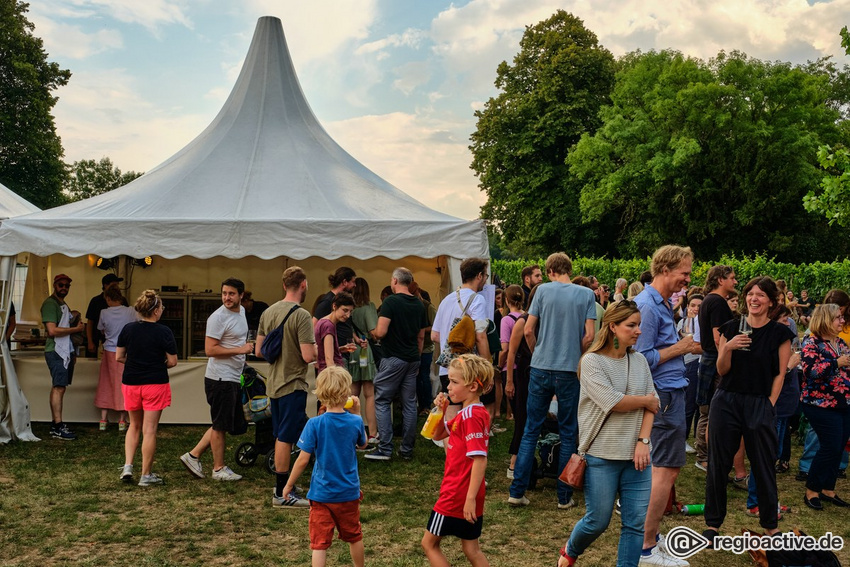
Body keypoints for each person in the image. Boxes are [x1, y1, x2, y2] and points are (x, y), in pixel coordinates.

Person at [557, 300, 659, 567]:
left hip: (637, 457)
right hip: (601, 455)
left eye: (639, 325)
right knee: (597, 520)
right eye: (631, 325)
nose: (638, 330)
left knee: (635, 524)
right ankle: (571, 549)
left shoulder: (639, 361)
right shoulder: (591, 361)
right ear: (613, 326)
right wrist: (644, 401)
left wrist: (643, 441)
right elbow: (612, 401)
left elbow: (654, 403)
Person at [704, 276, 792, 544]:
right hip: (727, 400)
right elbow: (721, 371)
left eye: (760, 295)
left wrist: (770, 404)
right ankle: (713, 524)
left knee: (764, 464)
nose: (754, 299)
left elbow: (780, 373)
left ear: (771, 301)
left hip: (759, 402)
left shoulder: (781, 333)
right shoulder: (730, 328)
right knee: (719, 463)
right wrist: (727, 347)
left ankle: (770, 525)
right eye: (750, 294)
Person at [508, 252, 596, 510]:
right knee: (568, 432)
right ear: (569, 269)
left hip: (540, 367)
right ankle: (563, 496)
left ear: (549, 271)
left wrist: (539, 353)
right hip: (569, 370)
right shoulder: (586, 294)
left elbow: (527, 329)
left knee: (530, 430)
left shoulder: (542, 291)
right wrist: (576, 353)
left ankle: (517, 491)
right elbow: (590, 335)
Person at [634, 245, 695, 567]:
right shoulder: (647, 306)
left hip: (670, 394)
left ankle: (649, 541)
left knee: (664, 469)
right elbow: (638, 359)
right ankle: (646, 548)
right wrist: (679, 348)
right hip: (664, 396)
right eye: (684, 272)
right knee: (664, 470)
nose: (687, 279)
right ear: (666, 269)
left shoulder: (658, 303)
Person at [282, 366, 368, 566]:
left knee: (319, 544)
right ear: (347, 392)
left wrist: (288, 484)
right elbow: (362, 444)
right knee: (354, 536)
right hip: (349, 492)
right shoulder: (355, 422)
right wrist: (358, 412)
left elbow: (303, 459)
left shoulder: (314, 424)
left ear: (320, 394)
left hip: (321, 494)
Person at [421, 354, 493, 567]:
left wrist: (469, 498)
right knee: (471, 548)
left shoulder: (470, 416)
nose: (448, 386)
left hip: (457, 493)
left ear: (472, 387)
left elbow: (480, 459)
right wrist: (441, 411)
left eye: (454, 382)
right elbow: (436, 435)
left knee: (429, 544)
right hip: (469, 491)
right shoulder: (469, 413)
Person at [180, 278, 255, 482]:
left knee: (219, 422)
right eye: (224, 293)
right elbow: (210, 350)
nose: (227, 298)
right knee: (220, 425)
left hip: (232, 376)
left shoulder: (241, 312)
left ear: (241, 295)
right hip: (219, 378)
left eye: (231, 294)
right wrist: (241, 350)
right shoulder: (217, 317)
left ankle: (193, 455)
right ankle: (218, 468)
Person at [255, 266, 317, 508]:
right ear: (303, 285)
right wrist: (317, 350)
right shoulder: (301, 315)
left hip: (274, 384)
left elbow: (259, 350)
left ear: (284, 285)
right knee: (285, 437)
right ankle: (282, 493)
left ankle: (285, 485)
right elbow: (306, 355)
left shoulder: (268, 312)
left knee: (282, 434)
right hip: (293, 382)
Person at [365, 268, 429, 462]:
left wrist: (372, 332)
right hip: (412, 358)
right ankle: (407, 449)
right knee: (409, 403)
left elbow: (382, 332)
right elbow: (421, 335)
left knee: (382, 399)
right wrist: (416, 359)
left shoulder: (391, 302)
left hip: (393, 358)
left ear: (394, 281)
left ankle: (385, 448)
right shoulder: (419, 304)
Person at [117, 290, 178, 486]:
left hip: (131, 382)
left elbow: (119, 357)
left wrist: (135, 362)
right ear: (156, 311)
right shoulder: (164, 332)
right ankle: (146, 474)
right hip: (155, 383)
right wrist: (158, 364)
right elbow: (172, 361)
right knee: (149, 430)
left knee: (133, 426)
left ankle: (128, 466)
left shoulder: (128, 329)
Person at [799, 303, 850, 511]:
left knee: (839, 446)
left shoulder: (841, 343)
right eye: (838, 317)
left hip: (843, 402)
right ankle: (812, 489)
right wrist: (837, 363)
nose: (842, 321)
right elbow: (810, 372)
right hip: (819, 403)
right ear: (826, 320)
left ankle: (828, 488)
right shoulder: (812, 343)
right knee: (829, 445)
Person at [432, 258, 491, 426]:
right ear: (479, 276)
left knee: (450, 418)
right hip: (467, 368)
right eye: (485, 275)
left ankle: (451, 452)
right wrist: (487, 367)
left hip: (447, 367)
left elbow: (435, 336)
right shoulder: (477, 299)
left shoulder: (446, 300)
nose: (485, 279)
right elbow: (480, 335)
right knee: (469, 417)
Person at [694, 265, 737, 472]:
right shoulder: (718, 302)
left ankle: (703, 454)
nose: (735, 282)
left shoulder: (707, 300)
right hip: (714, 359)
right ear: (721, 280)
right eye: (732, 278)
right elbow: (718, 337)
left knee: (706, 410)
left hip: (708, 358)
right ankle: (704, 457)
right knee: (711, 411)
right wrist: (727, 360)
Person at [42, 273, 86, 440]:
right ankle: (58, 426)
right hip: (55, 350)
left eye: (67, 286)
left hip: (64, 350)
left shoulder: (61, 304)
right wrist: (76, 330)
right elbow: (52, 331)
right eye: (61, 285)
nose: (64, 288)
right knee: (58, 387)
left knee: (60, 387)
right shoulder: (50, 304)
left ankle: (56, 424)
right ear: (55, 285)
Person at [504, 284, 535, 479]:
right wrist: (509, 381)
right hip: (522, 374)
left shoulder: (543, 320)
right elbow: (511, 352)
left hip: (538, 375)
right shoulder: (522, 322)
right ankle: (514, 462)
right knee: (522, 418)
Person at [95, 286, 136, 431]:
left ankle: (103, 420)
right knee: (123, 384)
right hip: (125, 352)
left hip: (108, 351)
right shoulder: (130, 311)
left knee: (106, 383)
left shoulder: (104, 312)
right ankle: (122, 420)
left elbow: (101, 329)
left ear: (108, 298)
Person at [350, 277, 378, 443]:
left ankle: (354, 432)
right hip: (365, 350)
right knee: (370, 394)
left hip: (351, 349)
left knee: (353, 393)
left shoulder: (349, 308)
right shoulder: (369, 307)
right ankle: (372, 432)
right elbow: (373, 331)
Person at [313, 267, 357, 365]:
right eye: (353, 282)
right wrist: (317, 355)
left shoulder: (345, 303)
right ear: (345, 282)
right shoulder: (327, 301)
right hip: (333, 360)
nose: (355, 285)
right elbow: (314, 327)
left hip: (341, 353)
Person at [677, 293, 703, 453]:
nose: (696, 309)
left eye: (700, 306)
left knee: (700, 404)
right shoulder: (683, 322)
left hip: (701, 363)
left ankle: (698, 438)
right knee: (689, 402)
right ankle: (683, 439)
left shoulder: (704, 322)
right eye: (693, 305)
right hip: (688, 364)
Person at [86, 273, 126, 358]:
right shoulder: (95, 301)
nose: (117, 287)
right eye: (114, 284)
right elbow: (90, 322)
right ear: (105, 285)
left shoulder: (123, 300)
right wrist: (90, 341)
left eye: (117, 285)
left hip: (116, 343)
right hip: (97, 340)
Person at [315, 292, 356, 371]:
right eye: (345, 310)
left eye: (350, 312)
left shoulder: (322, 321)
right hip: (330, 373)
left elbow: (324, 351)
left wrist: (341, 349)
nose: (348, 315)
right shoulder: (328, 325)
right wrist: (334, 379)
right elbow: (329, 360)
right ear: (334, 306)